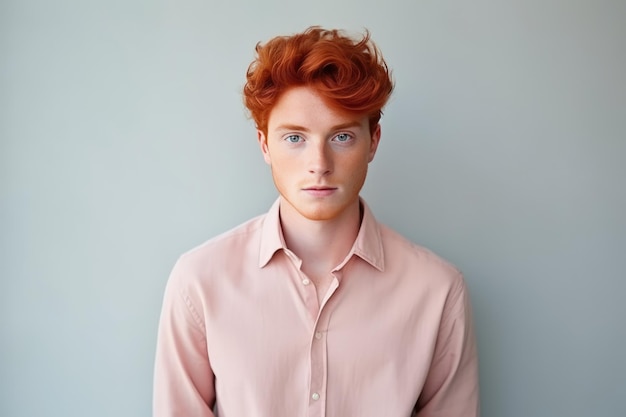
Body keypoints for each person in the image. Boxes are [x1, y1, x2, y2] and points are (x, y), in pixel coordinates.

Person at [153, 26, 480, 417]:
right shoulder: (200, 282)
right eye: (295, 138)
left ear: (373, 141)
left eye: (341, 137)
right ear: (264, 145)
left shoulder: (438, 291)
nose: (319, 165)